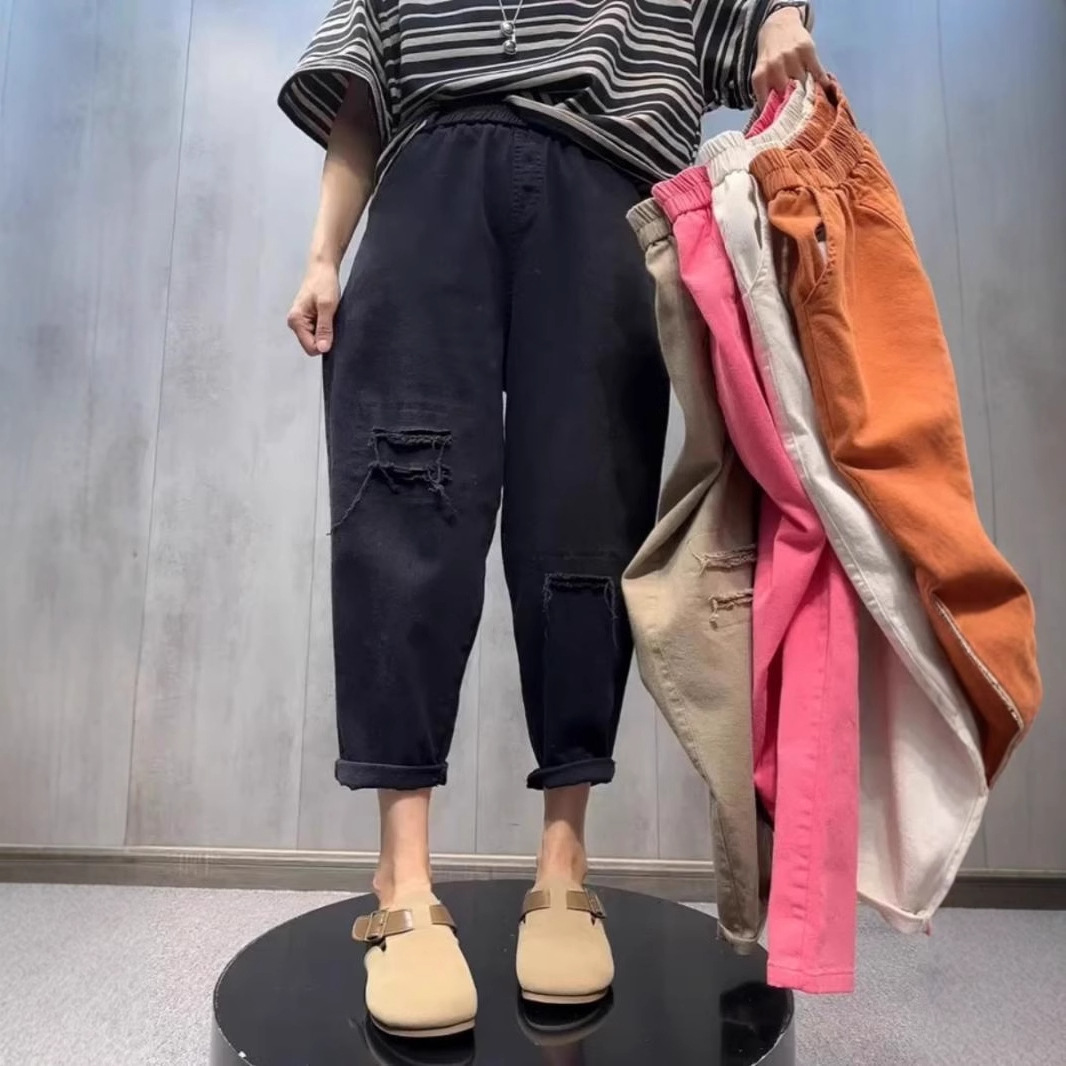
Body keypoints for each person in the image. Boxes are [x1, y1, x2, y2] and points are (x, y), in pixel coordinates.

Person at [280, 0, 825, 1039]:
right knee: (407, 497)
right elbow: (362, 87)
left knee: (585, 517)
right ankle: (401, 875)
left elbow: (751, 20)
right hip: (431, 171)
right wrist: (322, 253)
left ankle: (565, 861)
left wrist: (780, 16)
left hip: (612, 186)